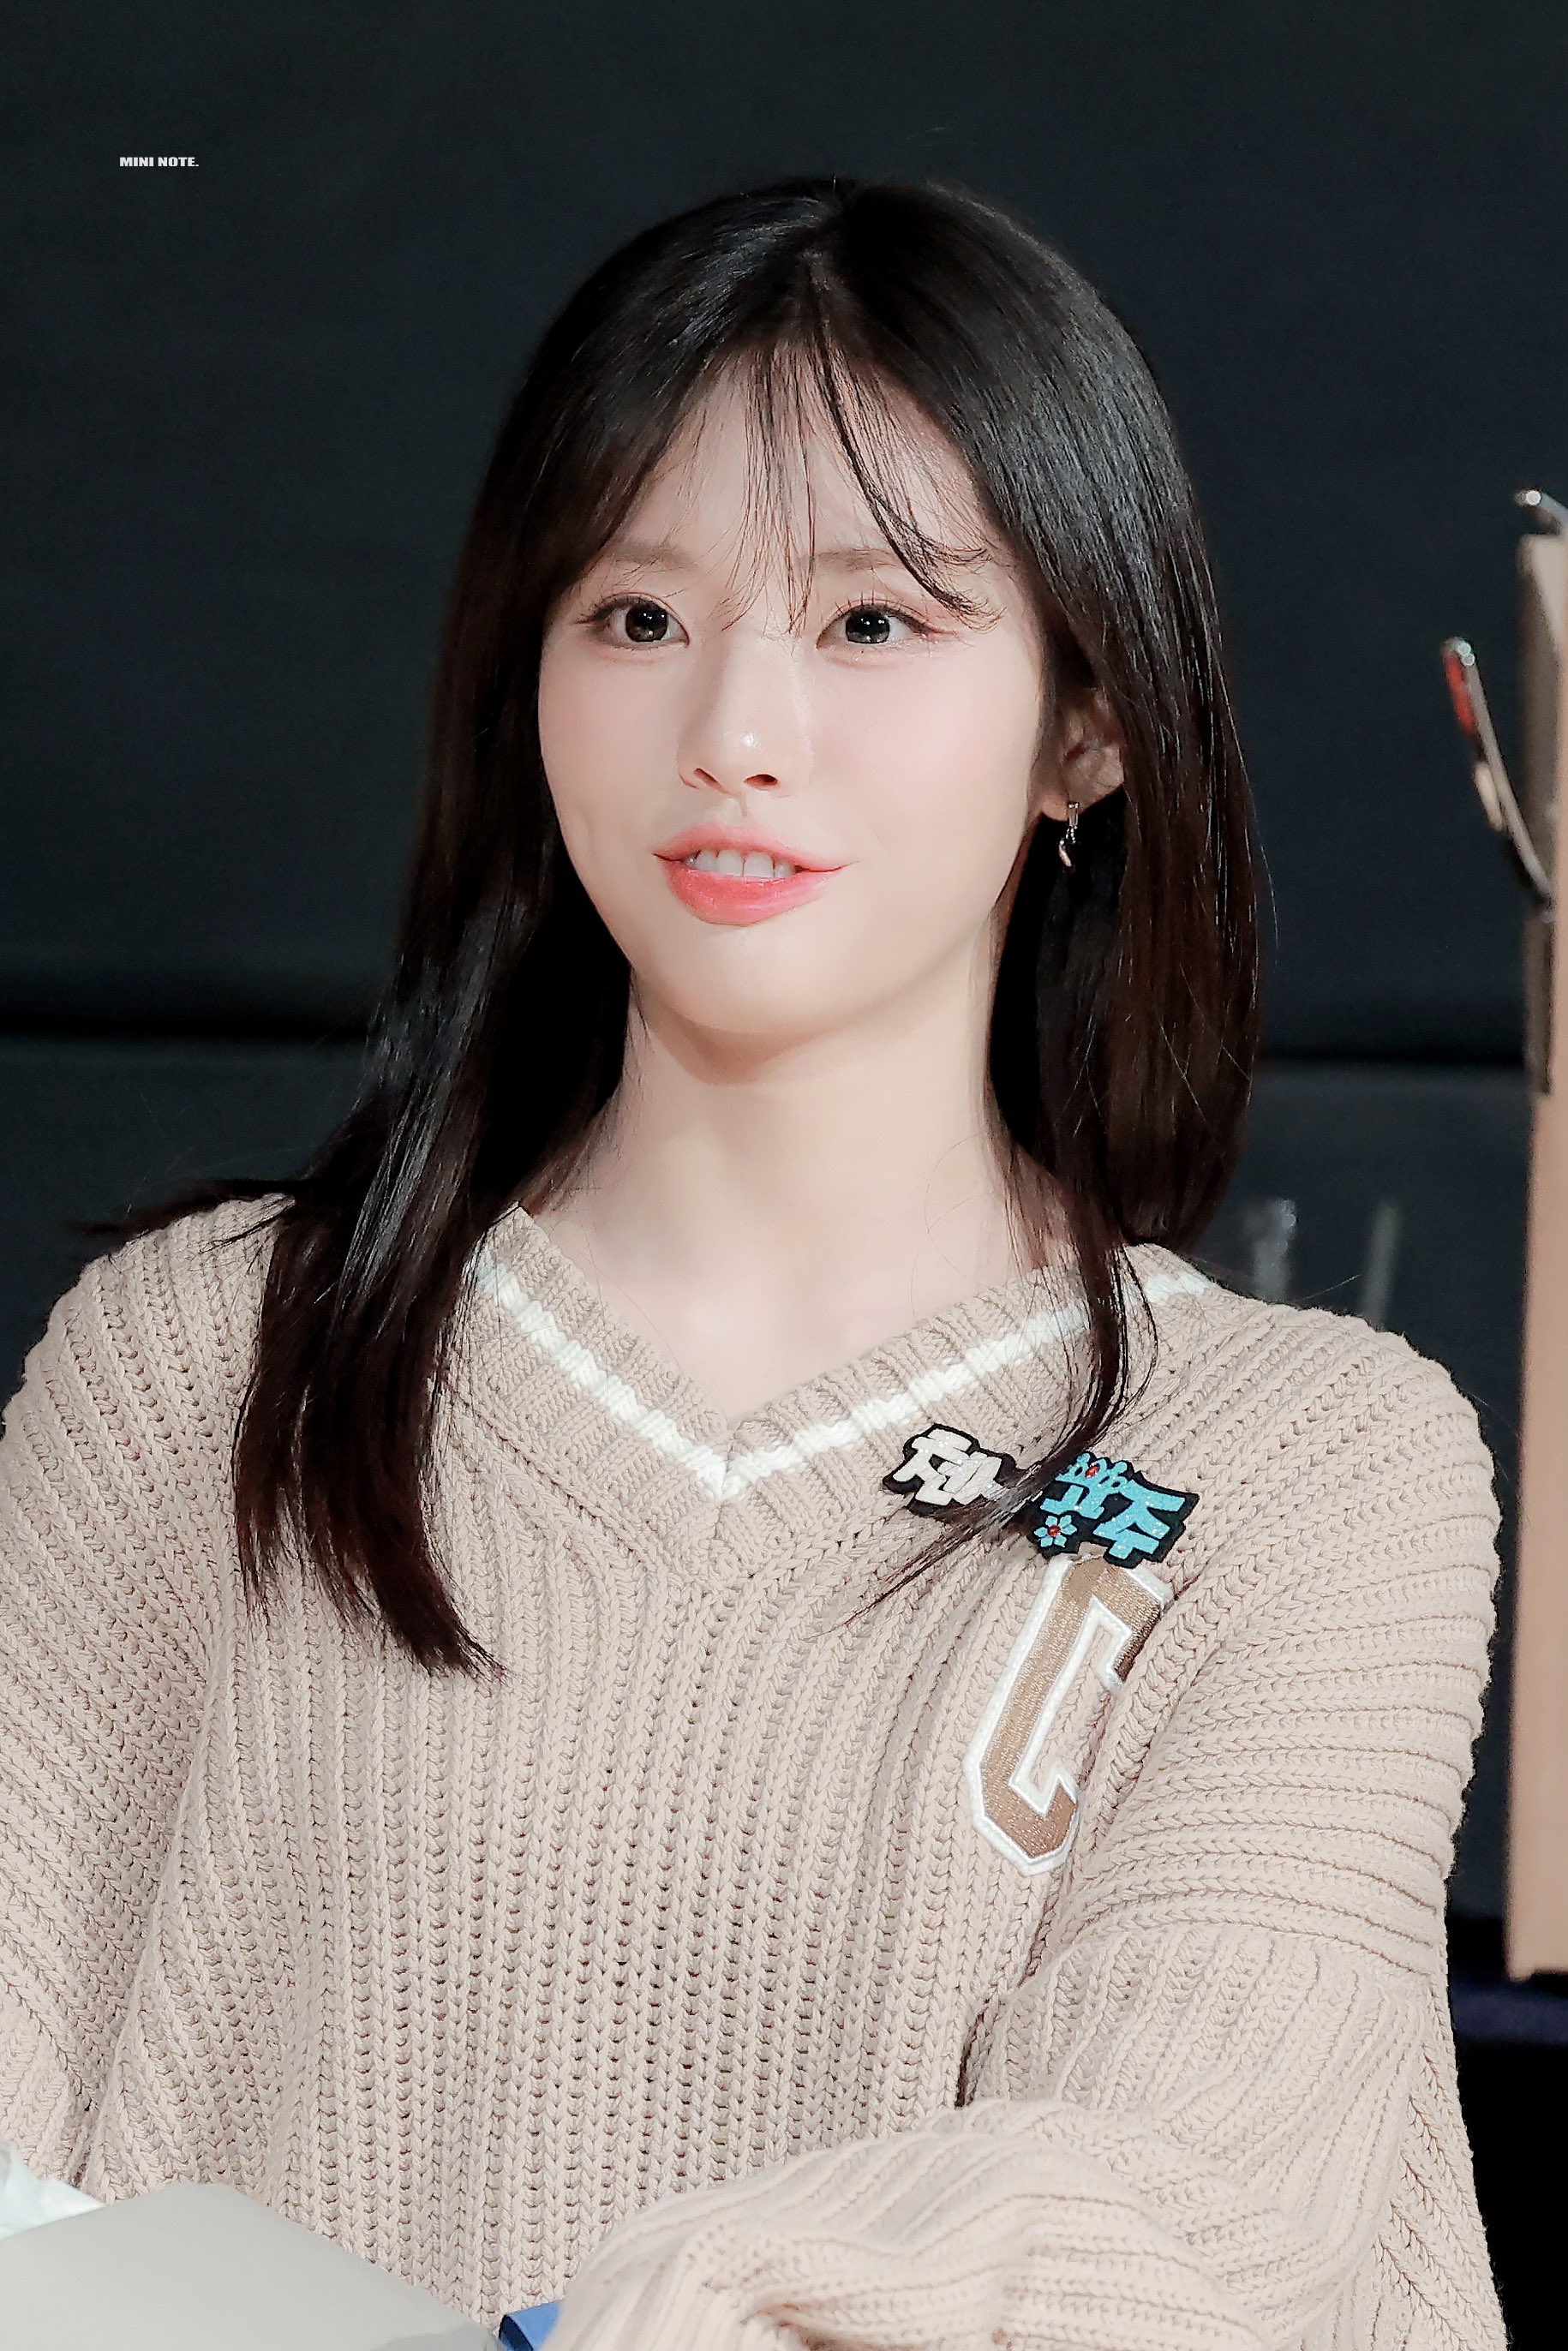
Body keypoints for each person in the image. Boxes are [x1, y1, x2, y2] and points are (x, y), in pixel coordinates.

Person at [0, 176, 1504, 2349]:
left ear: (1089, 722)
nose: (733, 729)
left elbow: (1209, 2184)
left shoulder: (1303, 1467)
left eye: (874, 623)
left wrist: (687, 2308)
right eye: (636, 615)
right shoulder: (210, 1357)